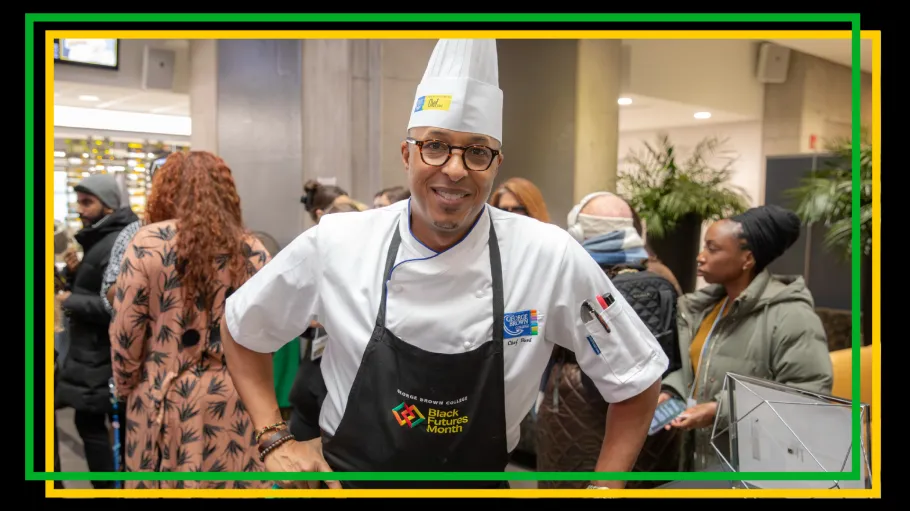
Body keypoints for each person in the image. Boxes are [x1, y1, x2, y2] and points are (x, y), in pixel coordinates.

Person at [220, 38, 668, 490]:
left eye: (477, 151)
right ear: (407, 154)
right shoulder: (338, 240)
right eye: (435, 146)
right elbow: (242, 326)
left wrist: (605, 488)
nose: (454, 169)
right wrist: (274, 437)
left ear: (496, 164)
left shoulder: (548, 255)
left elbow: (636, 376)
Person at [108, 151, 272, 489]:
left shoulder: (148, 243)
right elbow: (268, 334)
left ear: (164, 191)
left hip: (160, 396)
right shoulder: (252, 249)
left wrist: (126, 387)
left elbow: (126, 333)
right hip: (235, 397)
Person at [661, 204, 834, 470]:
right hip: (700, 461)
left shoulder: (791, 316)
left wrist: (719, 411)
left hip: (758, 468)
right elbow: (692, 370)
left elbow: (806, 395)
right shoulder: (702, 310)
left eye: (713, 248)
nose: (700, 256)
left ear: (747, 260)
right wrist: (671, 392)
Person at [537, 192, 684, 488]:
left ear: (579, 231)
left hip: (572, 410)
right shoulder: (663, 277)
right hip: (650, 420)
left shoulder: (571, 276)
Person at [55, 174, 138, 488]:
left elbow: (119, 306)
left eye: (87, 202)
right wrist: (76, 275)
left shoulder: (118, 241)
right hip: (91, 353)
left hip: (101, 354)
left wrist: (70, 299)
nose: (80, 209)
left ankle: (107, 489)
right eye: (79, 201)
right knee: (91, 423)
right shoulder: (100, 238)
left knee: (93, 425)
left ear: (109, 206)